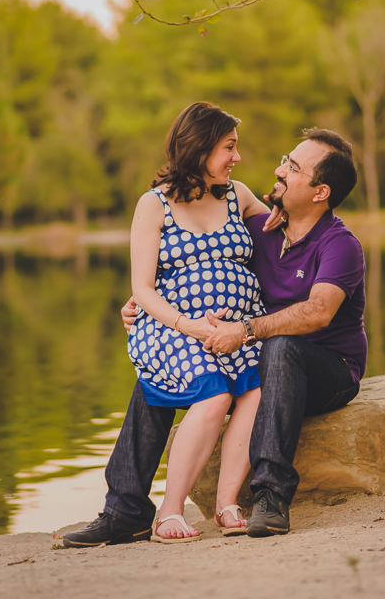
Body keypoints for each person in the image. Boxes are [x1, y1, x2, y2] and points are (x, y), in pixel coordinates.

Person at [62, 125, 365, 546]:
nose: (279, 169)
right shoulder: (262, 228)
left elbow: (317, 313)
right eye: (286, 158)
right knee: (161, 365)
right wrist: (143, 305)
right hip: (258, 353)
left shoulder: (340, 244)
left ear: (320, 192)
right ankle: (126, 508)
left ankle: (271, 497)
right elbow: (201, 262)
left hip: (326, 368)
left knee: (277, 351)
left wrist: (242, 331)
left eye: (293, 168)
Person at [116, 101, 275, 544]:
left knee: (259, 390)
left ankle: (226, 504)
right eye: (229, 147)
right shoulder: (154, 205)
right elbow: (143, 289)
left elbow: (284, 233)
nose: (236, 158)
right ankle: (169, 513)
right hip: (173, 328)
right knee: (215, 393)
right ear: (201, 147)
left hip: (235, 328)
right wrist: (190, 325)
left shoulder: (238, 194)